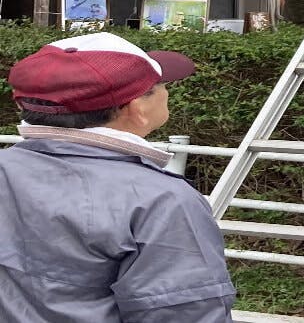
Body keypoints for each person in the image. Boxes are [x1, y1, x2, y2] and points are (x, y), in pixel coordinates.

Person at [1, 31, 235, 322]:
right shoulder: (161, 201)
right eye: (160, 85)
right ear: (137, 108)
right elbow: (187, 314)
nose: (167, 92)